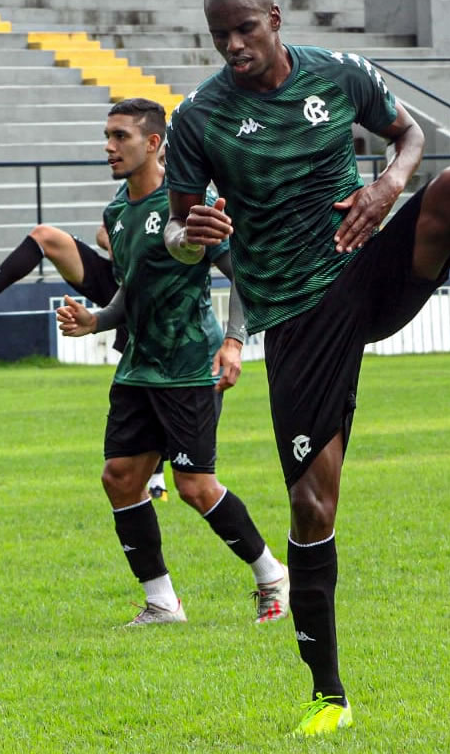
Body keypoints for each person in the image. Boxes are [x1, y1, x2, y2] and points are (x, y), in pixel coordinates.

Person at [162, 0, 450, 736]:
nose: (233, 45)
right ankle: (328, 694)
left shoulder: (340, 73)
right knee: (311, 505)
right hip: (296, 315)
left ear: (275, 16)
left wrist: (391, 183)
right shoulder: (199, 118)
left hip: (366, 264)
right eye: (219, 35)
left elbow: (413, 135)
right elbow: (176, 227)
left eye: (244, 29)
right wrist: (191, 235)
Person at [56, 97, 290, 627]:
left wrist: (233, 343)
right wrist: (95, 321)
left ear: (155, 143)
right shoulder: (117, 212)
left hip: (189, 365)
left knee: (194, 486)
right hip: (139, 366)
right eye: (107, 136)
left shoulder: (188, 205)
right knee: (119, 477)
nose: (109, 146)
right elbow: (130, 293)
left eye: (121, 137)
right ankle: (163, 602)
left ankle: (272, 575)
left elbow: (245, 277)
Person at [0, 150, 177, 498]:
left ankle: (156, 480)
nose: (113, 147)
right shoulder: (129, 190)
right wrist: (121, 240)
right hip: (119, 278)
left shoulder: (180, 190)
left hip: (159, 295)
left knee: (146, 377)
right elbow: (103, 231)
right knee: (45, 235)